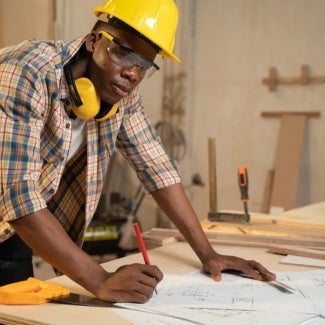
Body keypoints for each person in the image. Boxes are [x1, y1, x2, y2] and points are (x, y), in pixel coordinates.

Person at [0, 0, 275, 303]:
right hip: (18, 214)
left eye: (144, 66)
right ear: (93, 41)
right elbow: (18, 193)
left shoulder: (121, 96)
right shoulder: (28, 73)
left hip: (12, 234)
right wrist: (101, 280)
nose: (132, 73)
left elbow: (157, 167)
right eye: (123, 53)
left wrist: (209, 254)